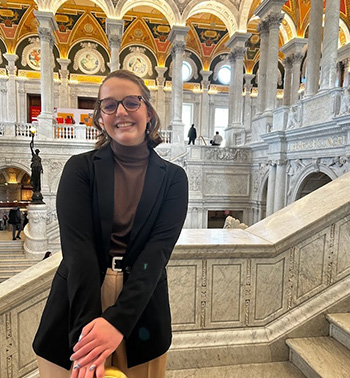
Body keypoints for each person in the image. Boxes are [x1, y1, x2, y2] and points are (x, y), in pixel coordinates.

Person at [33, 69, 188, 378]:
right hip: (78, 299)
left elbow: (155, 254)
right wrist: (84, 338)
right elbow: (79, 253)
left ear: (148, 111)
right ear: (100, 117)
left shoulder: (173, 179)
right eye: (109, 105)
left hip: (141, 303)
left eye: (131, 102)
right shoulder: (80, 169)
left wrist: (118, 321)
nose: (121, 111)